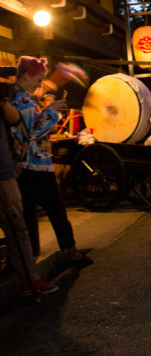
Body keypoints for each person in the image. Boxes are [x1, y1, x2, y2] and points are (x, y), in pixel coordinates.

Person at [10, 56, 92, 266]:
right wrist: (52, 110)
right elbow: (34, 131)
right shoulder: (23, 99)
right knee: (55, 209)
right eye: (38, 79)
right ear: (27, 75)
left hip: (21, 166)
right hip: (35, 164)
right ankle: (70, 252)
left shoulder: (15, 96)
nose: (39, 84)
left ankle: (26, 260)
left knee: (27, 215)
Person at [0, 90, 59, 295]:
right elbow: (29, 128)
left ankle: (29, 280)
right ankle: (29, 281)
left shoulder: (8, 102)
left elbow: (14, 119)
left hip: (6, 173)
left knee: (17, 227)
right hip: (4, 175)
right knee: (17, 227)